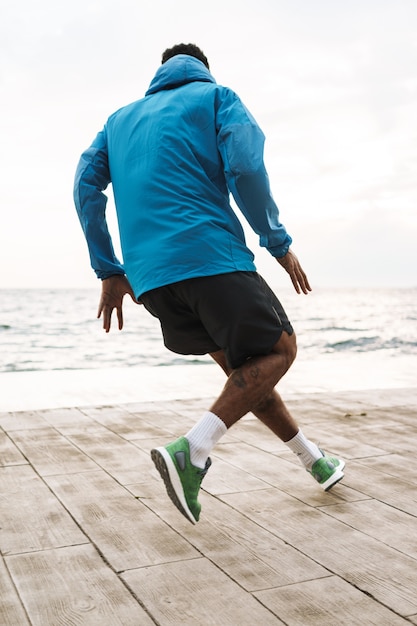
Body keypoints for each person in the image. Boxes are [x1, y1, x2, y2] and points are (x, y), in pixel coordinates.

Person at [74, 43, 345, 525]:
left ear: (160, 74)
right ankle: (192, 450)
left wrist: (109, 269)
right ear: (202, 69)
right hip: (210, 258)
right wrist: (277, 242)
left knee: (246, 374)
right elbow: (245, 166)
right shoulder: (216, 97)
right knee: (279, 351)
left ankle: (314, 460)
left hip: (151, 282)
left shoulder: (117, 122)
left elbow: (84, 187)